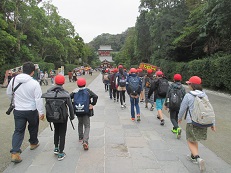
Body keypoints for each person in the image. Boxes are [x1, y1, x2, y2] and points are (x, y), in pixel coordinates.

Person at [6, 62, 44, 163]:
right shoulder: (34, 83)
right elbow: (38, 99)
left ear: (22, 69)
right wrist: (41, 112)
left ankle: (15, 152)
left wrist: (15, 102)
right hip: (31, 110)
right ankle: (33, 143)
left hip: (18, 110)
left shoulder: (14, 80)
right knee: (33, 126)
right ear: (32, 72)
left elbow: (9, 93)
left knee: (18, 130)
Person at [178, 76, 216, 172]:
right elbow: (209, 109)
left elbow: (182, 108)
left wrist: (179, 118)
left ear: (192, 85)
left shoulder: (189, 95)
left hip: (192, 122)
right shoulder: (204, 95)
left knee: (190, 140)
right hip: (203, 121)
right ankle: (192, 157)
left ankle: (198, 158)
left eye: (189, 84)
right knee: (195, 139)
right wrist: (213, 123)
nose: (188, 85)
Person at [42, 75, 75, 161]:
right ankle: (61, 152)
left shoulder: (49, 92)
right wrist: (72, 116)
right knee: (62, 133)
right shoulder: (65, 93)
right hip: (63, 116)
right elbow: (70, 106)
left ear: (55, 82)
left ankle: (56, 147)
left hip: (52, 115)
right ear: (63, 82)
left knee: (56, 131)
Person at [70, 78, 98, 150]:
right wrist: (92, 104)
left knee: (80, 123)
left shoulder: (75, 91)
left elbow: (69, 97)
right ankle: (85, 141)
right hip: (86, 110)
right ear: (85, 83)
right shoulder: (88, 91)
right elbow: (95, 96)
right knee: (87, 126)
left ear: (77, 84)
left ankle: (80, 137)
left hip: (78, 110)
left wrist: (73, 104)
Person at [164, 74, 186, 139]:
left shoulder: (171, 86)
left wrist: (166, 104)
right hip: (180, 104)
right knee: (176, 116)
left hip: (172, 104)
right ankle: (175, 129)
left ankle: (177, 128)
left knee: (172, 118)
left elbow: (167, 95)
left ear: (173, 79)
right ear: (180, 79)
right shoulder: (182, 87)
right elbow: (184, 97)